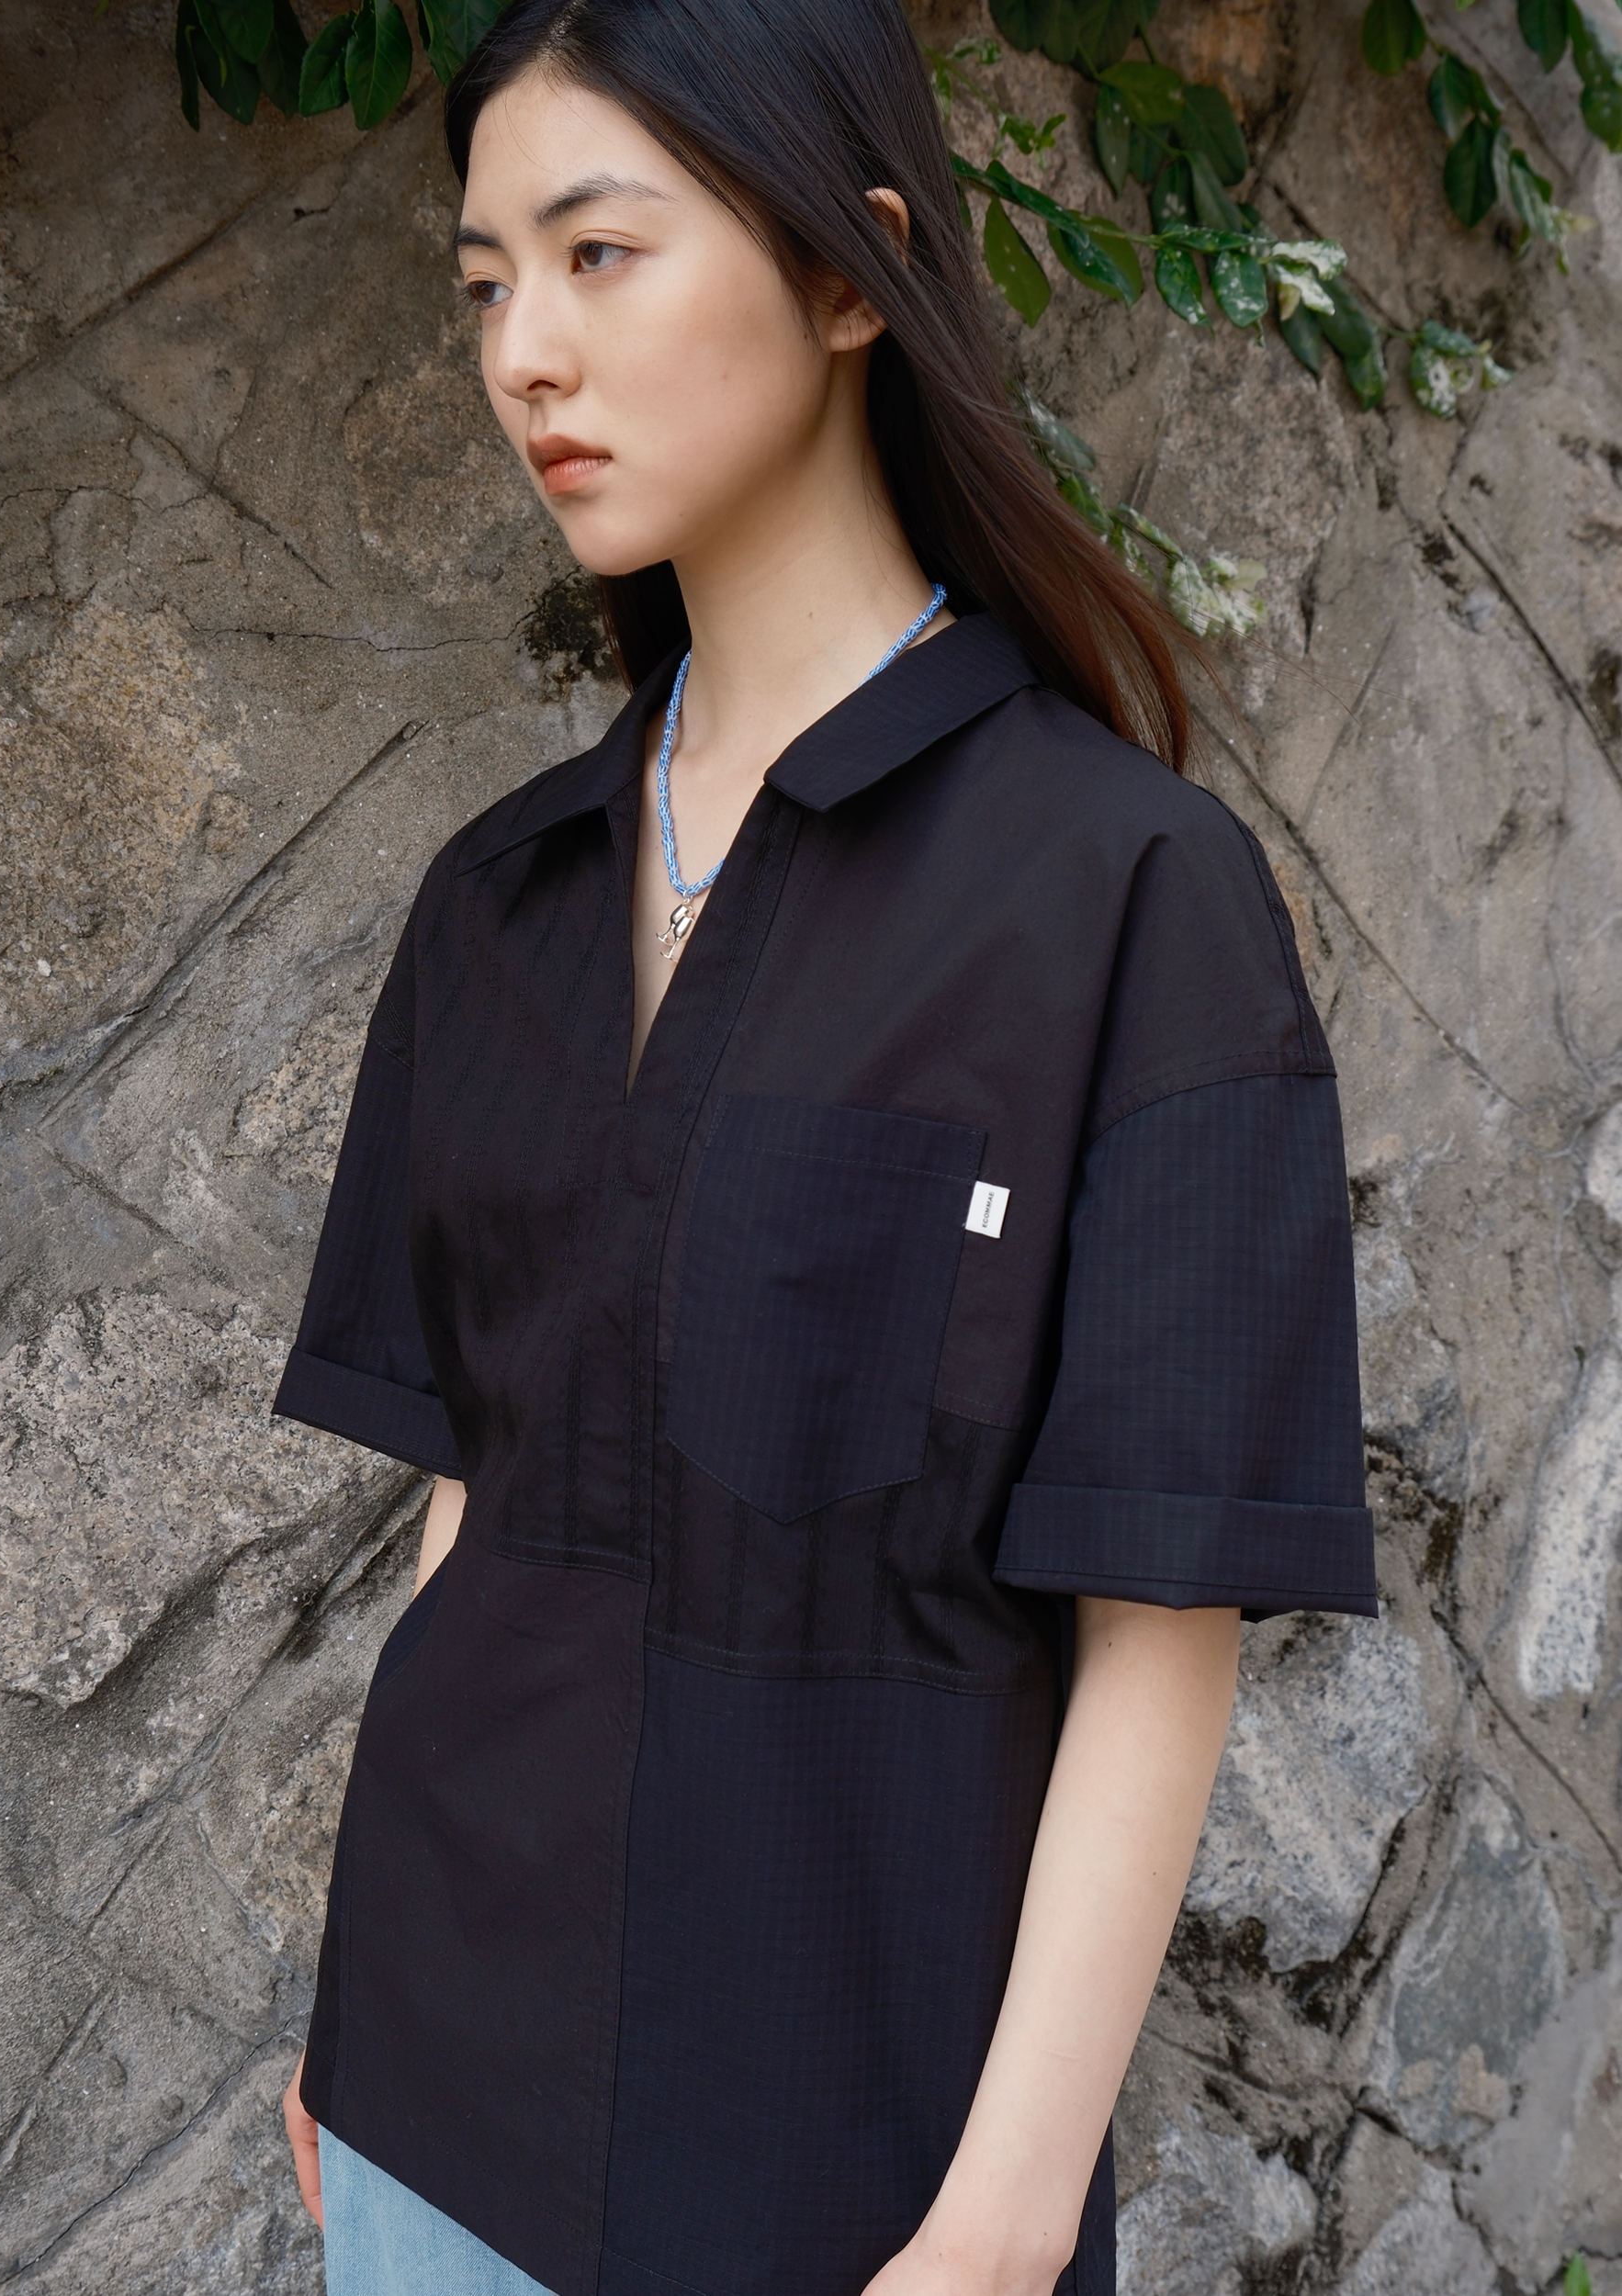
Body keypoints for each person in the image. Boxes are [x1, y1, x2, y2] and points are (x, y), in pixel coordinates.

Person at [270, 3, 1378, 2291]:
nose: (522, 353)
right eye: (484, 282)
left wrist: (998, 2224)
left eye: (598, 252)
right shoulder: (498, 903)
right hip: (419, 2123)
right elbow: (479, 1491)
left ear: (851, 269)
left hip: (852, 2193)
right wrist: (349, 2006)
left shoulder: (1125, 898)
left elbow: (1157, 1626)